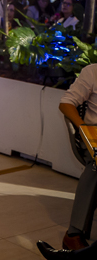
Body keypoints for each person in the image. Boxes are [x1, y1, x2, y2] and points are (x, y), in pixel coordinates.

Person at [57, 64, 97, 252]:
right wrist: (83, 128)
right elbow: (66, 103)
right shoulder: (93, 71)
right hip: (93, 135)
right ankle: (73, 234)